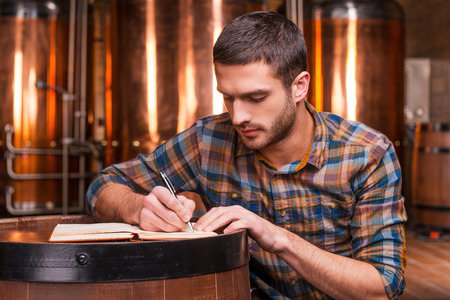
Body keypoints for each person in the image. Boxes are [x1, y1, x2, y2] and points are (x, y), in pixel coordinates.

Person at [86, 11, 407, 300]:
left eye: (255, 97)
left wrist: (277, 238)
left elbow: (382, 286)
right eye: (228, 98)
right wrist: (140, 207)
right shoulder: (208, 140)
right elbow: (103, 185)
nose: (238, 116)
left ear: (299, 86)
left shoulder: (367, 154)